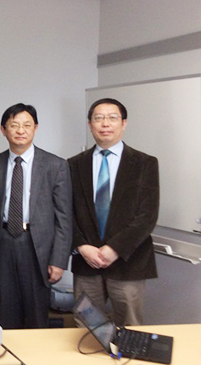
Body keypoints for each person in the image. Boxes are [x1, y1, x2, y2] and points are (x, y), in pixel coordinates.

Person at [0, 103, 72, 329]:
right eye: (14, 125)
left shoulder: (55, 165)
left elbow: (64, 217)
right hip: (2, 243)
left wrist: (59, 260)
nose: (20, 130)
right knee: (8, 314)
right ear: (4, 130)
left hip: (38, 245)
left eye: (27, 125)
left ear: (35, 128)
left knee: (36, 314)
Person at [69, 98, 159, 326]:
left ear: (124, 123)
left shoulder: (144, 163)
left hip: (129, 261)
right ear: (90, 124)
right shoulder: (72, 165)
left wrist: (114, 248)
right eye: (98, 118)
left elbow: (147, 215)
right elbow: (65, 212)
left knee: (131, 327)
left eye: (112, 118)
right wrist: (82, 247)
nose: (105, 124)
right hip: (86, 262)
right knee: (87, 329)